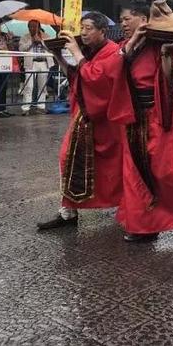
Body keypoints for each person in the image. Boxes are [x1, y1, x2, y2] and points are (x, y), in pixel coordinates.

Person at [116, 1, 173, 242]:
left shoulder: (161, 44)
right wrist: (133, 43)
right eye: (122, 20)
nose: (123, 24)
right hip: (132, 115)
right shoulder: (127, 47)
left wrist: (167, 54)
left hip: (159, 113)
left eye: (128, 18)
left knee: (163, 169)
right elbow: (112, 70)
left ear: (144, 20)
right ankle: (144, 225)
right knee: (135, 169)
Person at [37, 13, 134, 231]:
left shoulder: (112, 52)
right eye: (82, 27)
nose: (83, 32)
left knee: (114, 169)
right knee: (66, 158)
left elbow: (96, 80)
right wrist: (59, 56)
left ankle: (127, 205)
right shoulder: (90, 52)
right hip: (85, 114)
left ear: (103, 31)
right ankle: (68, 211)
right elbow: (77, 79)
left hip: (106, 121)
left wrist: (76, 52)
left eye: (89, 28)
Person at [19, 19, 51, 115]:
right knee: (29, 86)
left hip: (44, 63)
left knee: (42, 86)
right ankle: (26, 108)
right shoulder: (25, 37)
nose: (32, 28)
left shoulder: (46, 36)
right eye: (30, 26)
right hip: (31, 63)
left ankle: (41, 107)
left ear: (39, 27)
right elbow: (21, 49)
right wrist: (32, 41)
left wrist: (41, 41)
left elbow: (51, 48)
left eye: (34, 26)